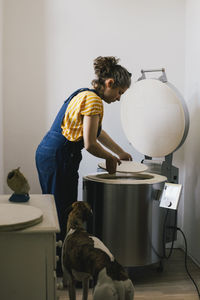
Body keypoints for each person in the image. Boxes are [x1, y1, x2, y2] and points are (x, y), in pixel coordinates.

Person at [35, 56, 132, 274]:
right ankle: (60, 270)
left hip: (49, 153)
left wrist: (120, 152)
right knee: (63, 213)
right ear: (110, 84)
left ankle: (57, 265)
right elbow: (89, 144)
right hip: (58, 157)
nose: (118, 99)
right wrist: (109, 159)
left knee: (58, 208)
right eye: (120, 93)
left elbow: (97, 132)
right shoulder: (94, 100)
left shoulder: (83, 93)